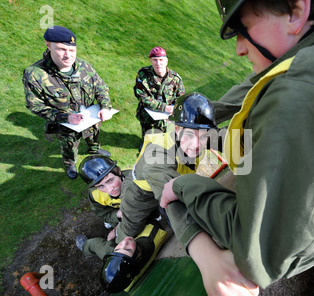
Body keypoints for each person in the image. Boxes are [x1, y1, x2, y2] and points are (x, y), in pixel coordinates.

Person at [160, 0, 314, 296]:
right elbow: (248, 99)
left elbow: (256, 253)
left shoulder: (302, 98)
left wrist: (183, 186)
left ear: (296, 12)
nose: (240, 48)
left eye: (243, 30)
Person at [80, 92, 217, 243]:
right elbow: (175, 198)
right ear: (177, 129)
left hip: (159, 185)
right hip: (140, 194)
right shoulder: (158, 155)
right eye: (190, 135)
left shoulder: (197, 142)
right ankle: (113, 243)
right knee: (130, 229)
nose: (197, 144)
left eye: (203, 135)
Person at [22, 25, 114, 179]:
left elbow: (101, 87)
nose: (68, 56)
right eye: (61, 49)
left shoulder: (83, 65)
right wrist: (66, 118)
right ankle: (70, 163)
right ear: (48, 45)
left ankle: (94, 150)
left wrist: (105, 106)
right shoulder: (35, 74)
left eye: (72, 50)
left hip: (91, 117)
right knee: (69, 146)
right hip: (65, 125)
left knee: (93, 136)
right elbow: (35, 105)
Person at [76, 222, 168, 293]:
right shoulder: (152, 232)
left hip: (125, 256)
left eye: (119, 249)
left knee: (94, 243)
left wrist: (112, 240)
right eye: (128, 249)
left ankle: (85, 248)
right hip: (137, 242)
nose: (124, 242)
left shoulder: (125, 280)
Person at [134, 46, 185, 140]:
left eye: (161, 60)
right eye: (155, 60)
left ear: (166, 61)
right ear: (150, 61)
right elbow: (142, 96)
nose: (158, 63)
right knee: (147, 136)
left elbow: (181, 99)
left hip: (167, 117)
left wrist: (174, 110)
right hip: (147, 114)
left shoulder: (175, 79)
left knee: (163, 139)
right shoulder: (143, 74)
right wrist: (164, 107)